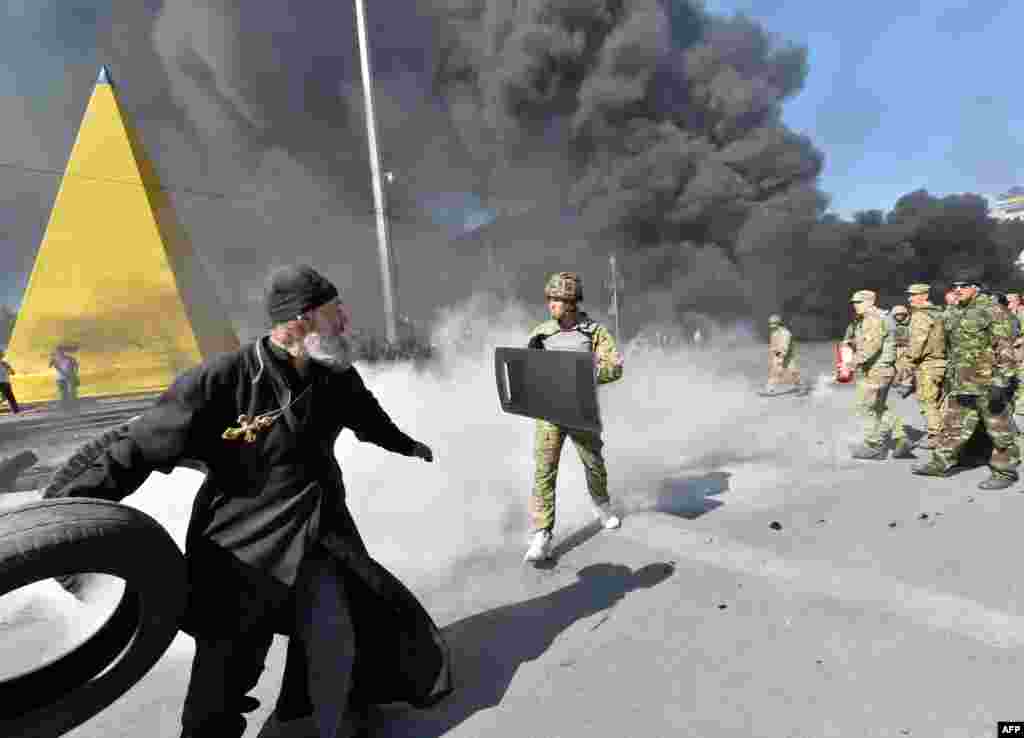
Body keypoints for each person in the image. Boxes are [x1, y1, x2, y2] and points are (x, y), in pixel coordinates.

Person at [43, 264, 452, 738]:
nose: (345, 322)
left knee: (334, 639)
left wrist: (406, 445)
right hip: (240, 557)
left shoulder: (335, 377)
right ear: (299, 320)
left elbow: (369, 419)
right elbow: (134, 451)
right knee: (222, 681)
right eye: (334, 312)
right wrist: (64, 524)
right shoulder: (222, 380)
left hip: (320, 540)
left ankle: (308, 724)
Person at [524, 271, 624, 563]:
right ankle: (542, 534)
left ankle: (602, 505)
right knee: (544, 470)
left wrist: (590, 373)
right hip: (549, 413)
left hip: (582, 411)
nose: (550, 304)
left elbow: (615, 367)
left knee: (594, 464)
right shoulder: (540, 333)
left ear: (571, 303)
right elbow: (526, 370)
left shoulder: (594, 332)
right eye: (549, 299)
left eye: (556, 299)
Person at [912, 275, 1020, 490]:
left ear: (976, 288)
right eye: (955, 286)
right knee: (953, 425)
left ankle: (1005, 472)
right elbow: (948, 348)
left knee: (998, 428)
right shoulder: (953, 311)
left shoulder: (992, 310)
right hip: (961, 382)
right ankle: (940, 463)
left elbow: (1004, 347)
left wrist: (1003, 379)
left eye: (964, 286)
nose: (958, 290)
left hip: (988, 382)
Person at [841, 289, 910, 459]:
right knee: (878, 406)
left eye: (859, 302)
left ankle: (874, 446)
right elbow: (868, 341)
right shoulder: (876, 318)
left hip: (877, 370)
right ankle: (901, 437)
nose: (856, 306)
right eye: (854, 303)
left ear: (870, 302)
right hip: (883, 369)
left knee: (865, 406)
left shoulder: (873, 319)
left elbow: (871, 347)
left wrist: (851, 364)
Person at [900, 284, 946, 450]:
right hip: (941, 362)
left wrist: (908, 360)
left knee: (927, 400)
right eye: (909, 295)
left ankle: (935, 436)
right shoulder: (938, 312)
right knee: (938, 401)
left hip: (928, 363)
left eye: (914, 295)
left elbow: (918, 341)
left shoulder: (920, 315)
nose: (910, 298)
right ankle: (942, 433)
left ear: (925, 295)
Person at [759, 314, 802, 395]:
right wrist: (774, 354)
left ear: (779, 323)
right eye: (771, 324)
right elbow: (773, 345)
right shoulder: (774, 332)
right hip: (778, 355)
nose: (772, 326)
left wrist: (780, 356)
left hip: (787, 356)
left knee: (793, 372)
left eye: (774, 324)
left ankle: (800, 387)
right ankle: (769, 389)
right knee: (775, 372)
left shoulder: (786, 333)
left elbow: (785, 347)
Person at [48, 346, 80, 410]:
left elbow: (76, 365)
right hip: (60, 378)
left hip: (69, 377)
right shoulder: (55, 359)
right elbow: (50, 366)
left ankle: (73, 405)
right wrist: (52, 360)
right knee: (63, 393)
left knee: (72, 392)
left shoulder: (69, 359)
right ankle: (65, 406)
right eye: (58, 352)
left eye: (60, 352)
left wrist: (75, 374)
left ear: (63, 352)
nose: (59, 353)